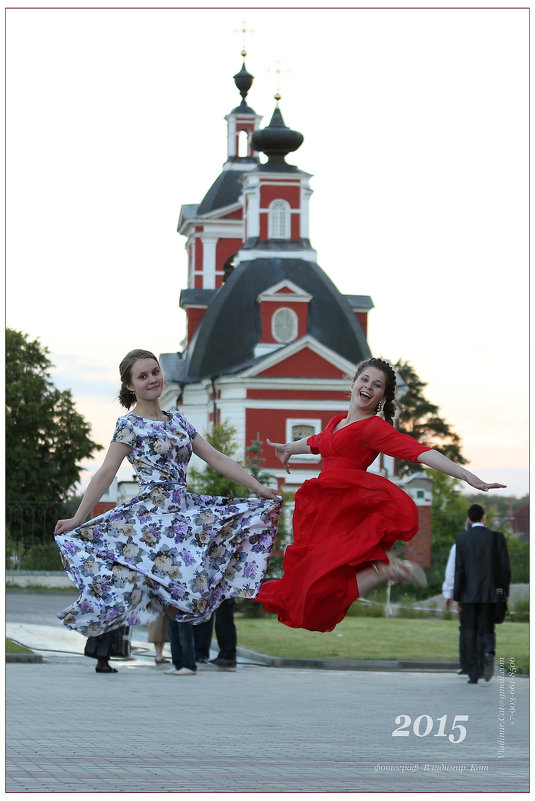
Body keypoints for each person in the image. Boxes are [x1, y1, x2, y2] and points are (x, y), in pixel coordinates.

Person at [255, 357, 506, 633]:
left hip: (346, 506)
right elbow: (316, 443)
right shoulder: (337, 423)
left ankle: (389, 571)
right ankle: (389, 570)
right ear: (352, 385)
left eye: (377, 385)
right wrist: (289, 448)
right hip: (322, 512)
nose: (368, 387)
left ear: (382, 397)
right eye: (364, 380)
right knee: (310, 582)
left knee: (319, 582)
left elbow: (418, 451)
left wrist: (466, 475)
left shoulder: (373, 428)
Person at [54, 349, 282, 638]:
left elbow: (216, 457)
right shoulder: (129, 425)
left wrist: (260, 489)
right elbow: (105, 473)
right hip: (152, 514)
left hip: (182, 509)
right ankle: (135, 609)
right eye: (142, 376)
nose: (152, 379)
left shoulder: (178, 421)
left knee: (200, 579)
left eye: (155, 372)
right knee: (151, 575)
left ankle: (175, 621)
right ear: (129, 386)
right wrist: (78, 517)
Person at [453, 504, 511, 684]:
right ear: (484, 518)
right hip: (491, 594)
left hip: (468, 595)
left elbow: (459, 570)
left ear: (469, 519)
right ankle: (488, 651)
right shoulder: (497, 538)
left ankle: (473, 673)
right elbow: (504, 569)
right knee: (486, 629)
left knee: (469, 631)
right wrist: (504, 592)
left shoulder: (462, 539)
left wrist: (457, 596)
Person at [442, 538, 468, 675]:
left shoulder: (459, 545)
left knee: (466, 630)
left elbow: (452, 572)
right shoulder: (493, 541)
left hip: (465, 595)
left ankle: (467, 665)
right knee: (484, 629)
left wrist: (450, 594)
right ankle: (483, 660)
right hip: (486, 595)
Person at [195, 598, 238, 668]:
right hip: (221, 594)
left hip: (225, 593)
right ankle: (224, 654)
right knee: (221, 623)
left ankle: (228, 655)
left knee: (224, 621)